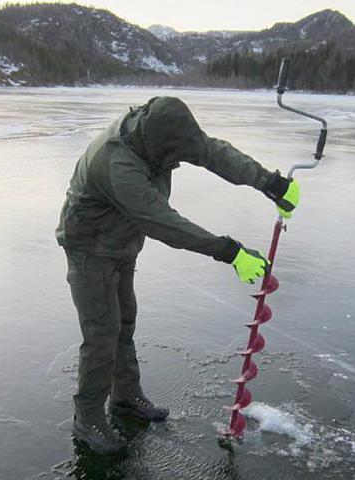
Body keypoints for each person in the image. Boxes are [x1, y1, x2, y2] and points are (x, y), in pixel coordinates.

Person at [56, 96, 299, 454]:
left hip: (121, 242)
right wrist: (230, 251)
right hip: (90, 248)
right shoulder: (117, 163)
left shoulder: (159, 134)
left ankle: (124, 398)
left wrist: (269, 182)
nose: (181, 160)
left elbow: (214, 152)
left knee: (124, 324)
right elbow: (162, 222)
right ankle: (87, 419)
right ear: (158, 146)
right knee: (102, 333)